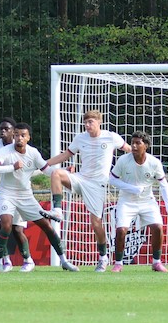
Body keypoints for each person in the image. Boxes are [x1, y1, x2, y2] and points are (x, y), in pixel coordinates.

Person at [0, 122, 79, 273]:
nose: (19, 138)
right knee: (6, 225)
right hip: (6, 194)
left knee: (46, 225)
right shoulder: (5, 151)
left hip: (25, 195)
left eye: (23, 135)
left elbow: (47, 170)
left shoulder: (33, 153)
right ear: (13, 136)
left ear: (28, 137)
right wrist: (12, 167)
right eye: (16, 135)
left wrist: (64, 172)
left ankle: (64, 260)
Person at [46, 110, 132, 272]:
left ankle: (103, 258)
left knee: (96, 223)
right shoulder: (80, 138)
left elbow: (128, 150)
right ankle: (57, 210)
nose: (87, 125)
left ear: (99, 122)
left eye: (90, 122)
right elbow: (65, 155)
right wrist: (44, 164)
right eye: (85, 122)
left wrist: (141, 161)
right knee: (56, 173)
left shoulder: (111, 137)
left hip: (97, 185)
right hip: (80, 179)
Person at [107, 131, 168, 273]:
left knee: (157, 227)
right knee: (121, 231)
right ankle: (118, 263)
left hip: (147, 201)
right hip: (126, 201)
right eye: (132, 142)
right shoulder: (123, 160)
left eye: (138, 143)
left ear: (146, 146)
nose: (134, 146)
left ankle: (156, 262)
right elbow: (112, 179)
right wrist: (131, 188)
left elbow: (163, 184)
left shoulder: (154, 162)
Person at [0, 117, 33, 271]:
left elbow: (35, 168)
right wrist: (11, 167)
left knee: (17, 229)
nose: (2, 132)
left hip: (22, 193)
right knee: (2, 225)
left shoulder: (24, 148)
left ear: (14, 133)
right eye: (1, 129)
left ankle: (28, 260)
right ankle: (5, 261)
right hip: (5, 193)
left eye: (6, 129)